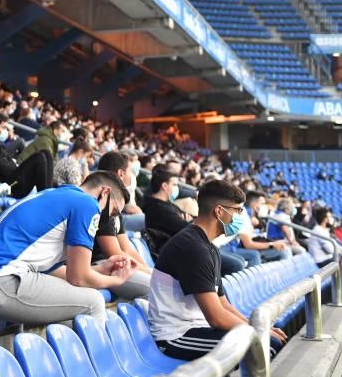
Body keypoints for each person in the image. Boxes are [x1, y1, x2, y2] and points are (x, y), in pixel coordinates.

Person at [0, 171, 134, 325]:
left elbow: (57, 272)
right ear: (105, 192)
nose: (111, 218)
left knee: (70, 314)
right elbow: (78, 278)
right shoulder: (88, 203)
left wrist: (101, 269)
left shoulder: (53, 194)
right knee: (94, 301)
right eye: (114, 211)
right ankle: (95, 364)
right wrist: (116, 281)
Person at [147, 180, 287, 361]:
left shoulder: (208, 246)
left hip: (197, 326)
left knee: (268, 339)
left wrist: (257, 326)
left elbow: (224, 305)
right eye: (237, 210)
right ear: (219, 211)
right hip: (176, 336)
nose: (240, 216)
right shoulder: (192, 247)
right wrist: (259, 331)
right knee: (264, 345)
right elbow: (216, 317)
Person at [92, 151, 151, 299]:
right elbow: (115, 253)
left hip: (117, 263)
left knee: (158, 282)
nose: (132, 176)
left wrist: (149, 269)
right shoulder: (104, 203)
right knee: (156, 287)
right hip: (104, 264)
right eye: (130, 171)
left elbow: (127, 248)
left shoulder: (116, 202)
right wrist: (151, 273)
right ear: (120, 174)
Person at [0, 112, 52, 199]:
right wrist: (23, 169)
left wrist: (20, 169)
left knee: (46, 153)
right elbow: (2, 169)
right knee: (39, 158)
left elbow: (10, 167)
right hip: (3, 187)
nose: (6, 131)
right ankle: (45, 200)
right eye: (3, 127)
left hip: (12, 182)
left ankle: (48, 196)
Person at [143, 167, 188, 237]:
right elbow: (187, 228)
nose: (176, 188)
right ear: (164, 186)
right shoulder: (160, 209)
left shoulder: (161, 204)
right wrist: (185, 220)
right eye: (174, 185)